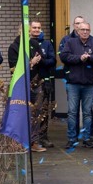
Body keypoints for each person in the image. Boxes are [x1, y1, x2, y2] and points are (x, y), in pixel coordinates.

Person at [60, 21, 93, 149]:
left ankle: (87, 139)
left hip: (88, 84)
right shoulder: (70, 42)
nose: (85, 32)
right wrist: (79, 58)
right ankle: (72, 139)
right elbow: (64, 57)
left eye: (87, 30)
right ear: (78, 31)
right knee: (72, 112)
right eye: (83, 30)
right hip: (73, 83)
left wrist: (89, 58)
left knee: (87, 113)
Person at [8, 26, 45, 152]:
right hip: (21, 85)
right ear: (20, 32)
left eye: (29, 32)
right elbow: (13, 68)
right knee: (21, 113)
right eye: (26, 32)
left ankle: (34, 141)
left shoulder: (34, 44)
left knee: (36, 113)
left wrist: (39, 60)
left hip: (36, 83)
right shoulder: (14, 47)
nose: (28, 34)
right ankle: (20, 142)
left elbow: (42, 60)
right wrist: (31, 63)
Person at [30, 20, 57, 148]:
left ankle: (43, 137)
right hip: (30, 82)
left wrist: (41, 61)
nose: (36, 30)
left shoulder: (47, 44)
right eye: (34, 27)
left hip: (44, 82)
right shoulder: (26, 43)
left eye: (38, 28)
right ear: (30, 29)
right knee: (31, 111)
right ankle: (31, 138)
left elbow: (53, 60)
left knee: (44, 111)